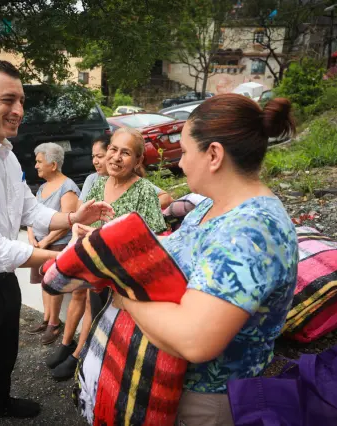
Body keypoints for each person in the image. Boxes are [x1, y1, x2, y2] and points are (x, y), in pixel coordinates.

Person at [0, 59, 113, 426]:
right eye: (8, 100)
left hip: (0, 280)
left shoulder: (7, 155)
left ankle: (1, 403)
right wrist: (67, 258)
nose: (18, 111)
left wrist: (75, 218)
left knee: (4, 355)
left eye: (22, 101)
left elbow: (31, 210)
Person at [109, 94, 299, 425]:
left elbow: (195, 340)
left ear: (213, 155)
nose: (180, 163)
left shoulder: (251, 232)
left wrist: (125, 297)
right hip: (173, 385)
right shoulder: (211, 206)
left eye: (184, 152)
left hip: (207, 401)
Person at [46, 127, 166, 381]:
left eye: (126, 153)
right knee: (94, 313)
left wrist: (106, 237)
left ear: (138, 161)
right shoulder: (98, 183)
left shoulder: (144, 191)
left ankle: (104, 376)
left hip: (126, 281)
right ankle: (82, 359)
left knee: (119, 334)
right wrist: (79, 228)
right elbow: (82, 220)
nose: (116, 157)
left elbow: (153, 244)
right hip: (96, 271)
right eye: (113, 149)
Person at [27, 142, 80, 345]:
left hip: (57, 244)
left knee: (53, 284)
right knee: (43, 281)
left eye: (40, 161)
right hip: (40, 244)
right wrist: (32, 238)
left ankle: (55, 323)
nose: (36, 166)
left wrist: (46, 241)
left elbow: (67, 222)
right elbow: (31, 214)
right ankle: (47, 318)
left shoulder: (68, 188)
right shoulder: (41, 187)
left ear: (53, 164)